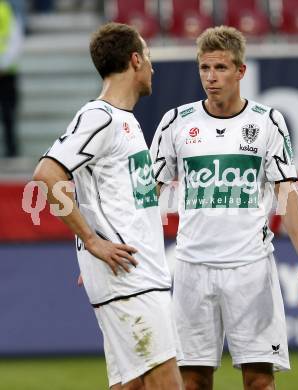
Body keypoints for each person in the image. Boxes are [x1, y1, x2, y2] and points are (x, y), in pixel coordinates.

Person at [150, 25, 298, 390]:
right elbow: (147, 196)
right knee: (192, 381)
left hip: (250, 268)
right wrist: (110, 242)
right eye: (205, 68)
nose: (211, 78)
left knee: (258, 380)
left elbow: (287, 193)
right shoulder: (176, 122)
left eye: (221, 68)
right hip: (192, 267)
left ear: (241, 71)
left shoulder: (267, 121)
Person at [33, 22, 183, 390]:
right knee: (166, 382)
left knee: (130, 384)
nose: (152, 66)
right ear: (135, 60)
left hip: (131, 273)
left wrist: (92, 248)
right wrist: (93, 241)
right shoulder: (100, 116)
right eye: (148, 57)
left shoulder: (123, 122)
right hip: (132, 277)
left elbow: (114, 199)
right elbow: (47, 174)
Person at [0, 0, 23, 157]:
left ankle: (11, 150)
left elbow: (15, 38)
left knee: (8, 113)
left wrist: (3, 64)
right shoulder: (6, 8)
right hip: (7, 69)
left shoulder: (6, 9)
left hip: (7, 71)